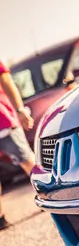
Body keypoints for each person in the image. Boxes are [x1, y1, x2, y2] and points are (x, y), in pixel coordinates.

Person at [0, 60, 35, 230]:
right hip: (3, 122)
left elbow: (5, 80)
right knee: (28, 161)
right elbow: (6, 81)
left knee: (28, 160)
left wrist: (20, 110)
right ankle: (53, 197)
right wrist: (20, 111)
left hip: (4, 122)